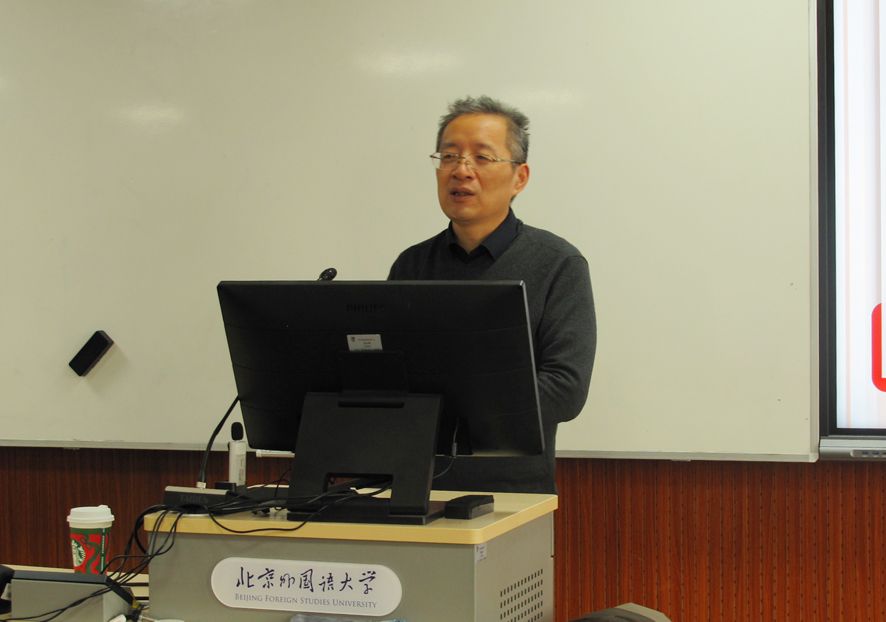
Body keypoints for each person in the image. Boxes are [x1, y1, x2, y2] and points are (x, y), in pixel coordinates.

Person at [388, 96, 596, 493]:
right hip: (415, 486)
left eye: (482, 158)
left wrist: (453, 405)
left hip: (512, 495)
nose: (460, 170)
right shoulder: (411, 265)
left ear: (520, 177)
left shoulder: (558, 263)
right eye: (449, 156)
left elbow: (565, 388)